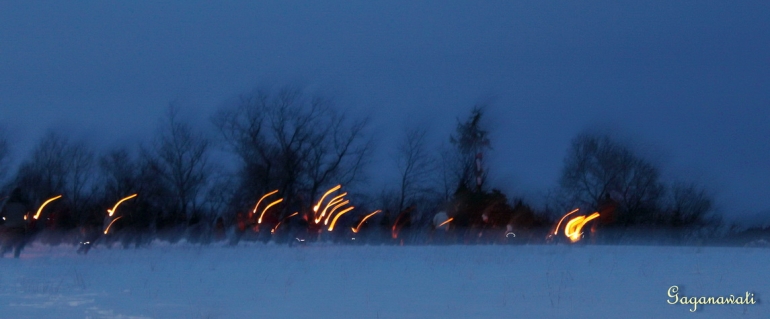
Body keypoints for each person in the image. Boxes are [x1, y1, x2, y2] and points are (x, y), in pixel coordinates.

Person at [0, 188, 32, 258]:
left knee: (7, 241)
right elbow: (27, 215)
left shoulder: (7, 205)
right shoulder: (23, 205)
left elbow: (2, 215)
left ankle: (2, 253)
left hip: (8, 226)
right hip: (20, 226)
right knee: (20, 240)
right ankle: (17, 253)